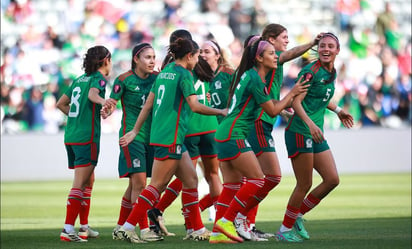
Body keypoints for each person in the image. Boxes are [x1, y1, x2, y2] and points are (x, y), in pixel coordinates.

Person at [116, 38, 227, 243]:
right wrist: (221, 111)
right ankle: (128, 227)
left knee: (191, 180)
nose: (198, 60)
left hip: (165, 135)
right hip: (171, 136)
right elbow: (194, 105)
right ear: (189, 56)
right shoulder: (184, 74)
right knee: (157, 185)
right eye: (196, 56)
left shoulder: (164, 72)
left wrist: (136, 130)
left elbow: (148, 103)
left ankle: (196, 228)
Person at [209, 39, 309, 244]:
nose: (276, 57)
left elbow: (268, 106)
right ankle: (228, 220)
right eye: (272, 53)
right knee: (257, 179)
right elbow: (272, 110)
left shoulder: (248, 75)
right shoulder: (255, 78)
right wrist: (293, 91)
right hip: (233, 134)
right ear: (259, 58)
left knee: (232, 185)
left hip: (224, 133)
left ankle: (218, 232)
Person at [234, 25, 324, 241]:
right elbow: (290, 55)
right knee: (269, 177)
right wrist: (311, 43)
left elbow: (265, 96)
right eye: (284, 37)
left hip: (263, 122)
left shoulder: (268, 65)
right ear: (270, 41)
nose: (287, 41)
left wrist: (281, 108)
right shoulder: (269, 60)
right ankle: (236, 218)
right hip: (258, 122)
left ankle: (243, 221)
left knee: (259, 178)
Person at [275, 32, 354, 242]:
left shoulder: (331, 72)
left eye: (330, 46)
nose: (326, 49)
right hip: (300, 131)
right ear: (317, 49)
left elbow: (321, 96)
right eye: (322, 46)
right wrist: (310, 124)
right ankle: (284, 230)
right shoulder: (311, 71)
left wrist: (338, 110)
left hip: (314, 131)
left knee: (332, 179)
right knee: (304, 183)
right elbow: (295, 101)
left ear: (337, 50)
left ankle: (298, 215)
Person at [104, 43, 163, 242]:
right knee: (140, 182)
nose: (152, 61)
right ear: (136, 59)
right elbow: (112, 102)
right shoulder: (124, 80)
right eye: (147, 57)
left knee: (133, 187)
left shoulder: (158, 78)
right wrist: (107, 110)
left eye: (154, 57)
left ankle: (121, 227)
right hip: (132, 138)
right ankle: (144, 229)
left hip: (152, 138)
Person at [56, 45, 113, 242]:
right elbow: (92, 96)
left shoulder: (79, 80)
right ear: (105, 61)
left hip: (71, 135)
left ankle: (84, 227)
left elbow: (60, 104)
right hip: (86, 138)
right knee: (79, 183)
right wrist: (104, 102)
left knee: (89, 180)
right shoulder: (99, 79)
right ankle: (68, 229)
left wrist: (77, 117)